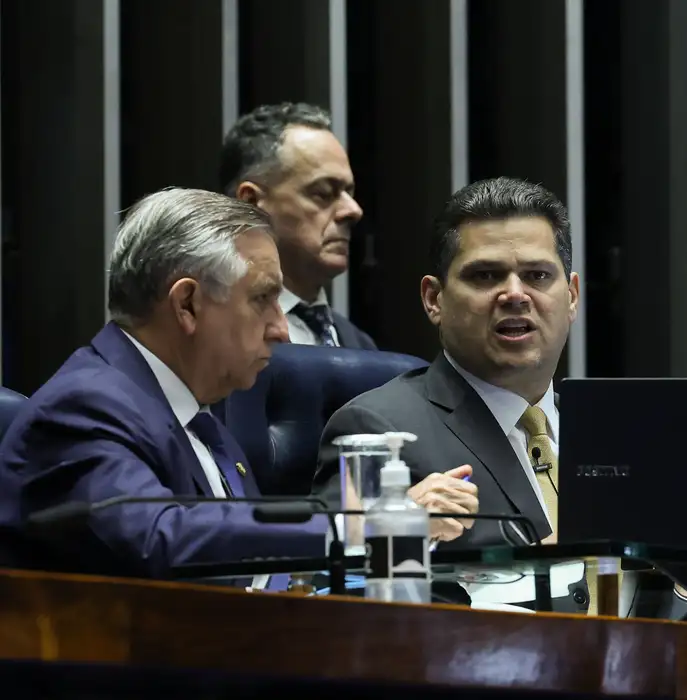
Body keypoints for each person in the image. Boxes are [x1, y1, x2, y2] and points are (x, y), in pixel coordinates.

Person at [0, 188, 326, 582]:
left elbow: (250, 570)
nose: (282, 330)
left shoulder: (202, 419)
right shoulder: (84, 408)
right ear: (186, 304)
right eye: (262, 298)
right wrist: (350, 532)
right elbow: (160, 539)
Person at [316, 176, 578, 555]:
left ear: (571, 296)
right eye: (485, 275)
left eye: (537, 275)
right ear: (434, 299)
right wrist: (402, 530)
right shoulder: (378, 433)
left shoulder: (614, 432)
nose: (515, 295)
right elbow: (341, 585)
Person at [220, 102, 376, 350]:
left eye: (349, 192)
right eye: (324, 193)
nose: (353, 210)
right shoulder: (213, 335)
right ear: (251, 203)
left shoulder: (362, 347)